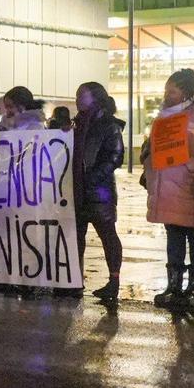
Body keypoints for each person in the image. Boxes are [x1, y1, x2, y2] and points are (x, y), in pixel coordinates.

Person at [142, 67, 194, 309]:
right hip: (167, 187)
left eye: (172, 91)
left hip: (191, 187)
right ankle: (174, 285)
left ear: (186, 91)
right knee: (174, 236)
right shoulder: (164, 117)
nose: (167, 95)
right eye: (167, 90)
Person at [71, 82, 126, 305]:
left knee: (107, 235)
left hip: (98, 191)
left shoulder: (108, 125)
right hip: (77, 190)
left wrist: (93, 177)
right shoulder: (77, 125)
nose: (77, 99)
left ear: (95, 97)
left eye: (80, 95)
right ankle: (74, 279)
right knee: (75, 236)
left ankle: (113, 279)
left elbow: (115, 155)